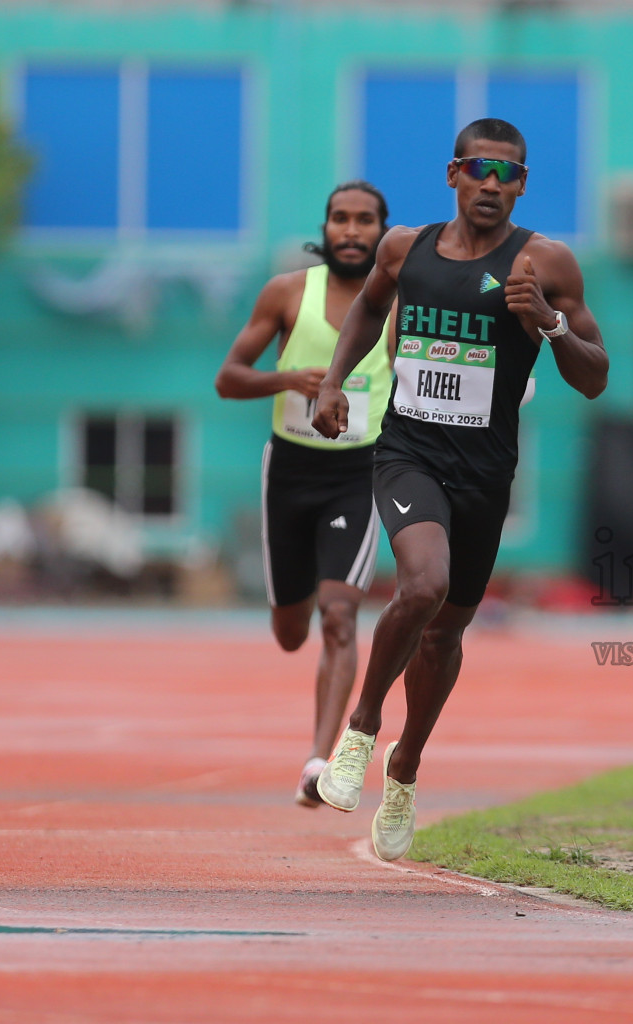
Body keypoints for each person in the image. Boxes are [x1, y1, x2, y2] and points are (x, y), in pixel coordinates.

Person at [310, 118, 607, 861]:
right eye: (481, 169)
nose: (494, 184)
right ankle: (361, 729)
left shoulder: (545, 262)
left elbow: (596, 375)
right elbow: (372, 305)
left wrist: (549, 323)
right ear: (454, 174)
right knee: (422, 585)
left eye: (509, 174)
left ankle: (405, 765)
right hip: (407, 452)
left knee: (446, 630)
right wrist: (334, 380)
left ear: (524, 185)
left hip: (484, 472)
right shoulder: (403, 247)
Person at [214, 181, 394, 807]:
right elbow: (227, 379)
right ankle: (292, 624)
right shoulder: (289, 292)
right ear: (326, 228)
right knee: (291, 630)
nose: (351, 230)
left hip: (360, 473)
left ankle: (319, 763)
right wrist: (290, 377)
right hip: (290, 473)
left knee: (339, 615)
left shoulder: (400, 302)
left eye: (364, 220)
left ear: (382, 231)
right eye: (340, 219)